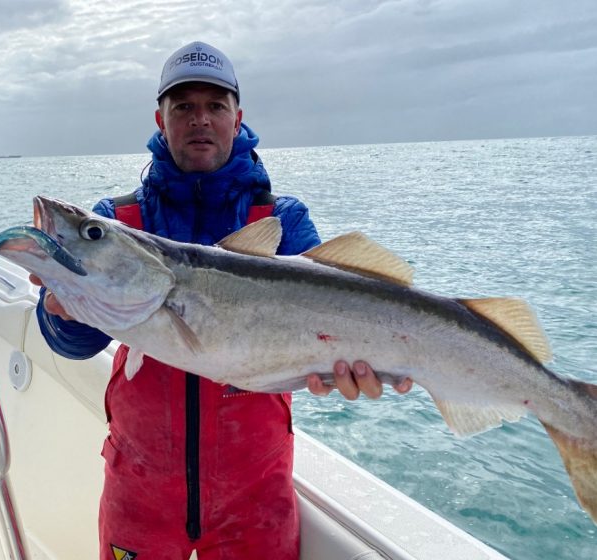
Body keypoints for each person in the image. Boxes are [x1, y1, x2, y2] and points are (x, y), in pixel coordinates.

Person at [32, 41, 413, 560]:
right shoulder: (117, 223)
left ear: (238, 116)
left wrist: (349, 370)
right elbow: (76, 344)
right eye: (183, 106)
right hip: (139, 484)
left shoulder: (283, 220)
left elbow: (338, 324)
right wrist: (62, 308)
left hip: (254, 490)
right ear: (160, 119)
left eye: (214, 105)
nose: (200, 119)